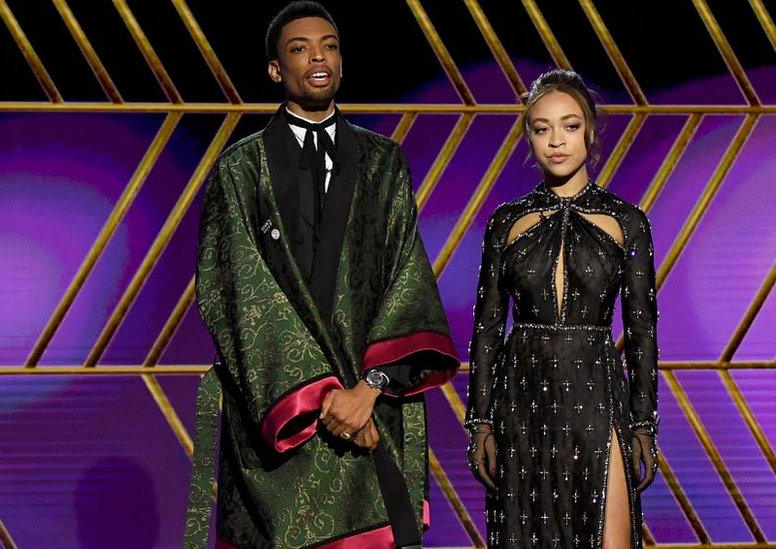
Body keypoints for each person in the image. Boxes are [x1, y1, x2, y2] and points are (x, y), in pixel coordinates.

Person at [184, 2, 459, 547]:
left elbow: (407, 276)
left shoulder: (384, 162)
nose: (318, 57)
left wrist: (369, 389)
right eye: (300, 47)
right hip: (279, 424)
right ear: (275, 70)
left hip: (372, 413)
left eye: (329, 45)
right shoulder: (240, 169)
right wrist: (317, 396)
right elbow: (234, 291)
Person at [464, 69, 659, 548]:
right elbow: (486, 329)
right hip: (522, 394)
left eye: (570, 126)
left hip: (596, 390)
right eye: (541, 127)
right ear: (528, 135)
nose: (556, 141)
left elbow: (642, 333)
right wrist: (481, 422)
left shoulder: (626, 222)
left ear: (590, 132)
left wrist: (643, 423)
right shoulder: (505, 221)